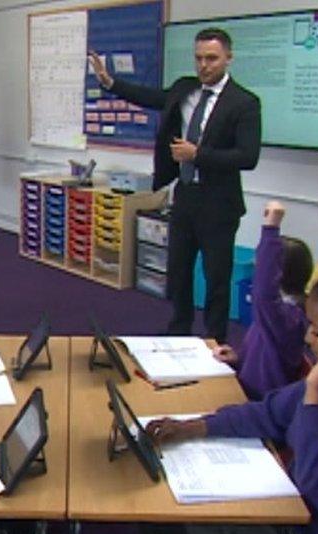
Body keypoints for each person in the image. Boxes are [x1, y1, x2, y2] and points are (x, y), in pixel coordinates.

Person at [144, 268, 318, 534]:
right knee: (166, 503)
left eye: (317, 331)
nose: (308, 338)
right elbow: (268, 413)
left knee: (173, 523)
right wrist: (192, 426)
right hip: (290, 507)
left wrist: (314, 395)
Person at [89, 27, 262, 342]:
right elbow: (152, 97)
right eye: (199, 58)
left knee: (216, 277)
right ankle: (179, 333)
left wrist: (199, 154)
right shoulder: (185, 89)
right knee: (179, 272)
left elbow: (248, 156)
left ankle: (215, 340)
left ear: (228, 58)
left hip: (220, 204)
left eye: (212, 58)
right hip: (185, 197)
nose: (204, 65)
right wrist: (110, 82)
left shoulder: (245, 102)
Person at [213, 201, 314, 400]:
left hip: (260, 401)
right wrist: (239, 359)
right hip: (248, 386)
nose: (256, 267)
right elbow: (265, 352)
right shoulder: (281, 314)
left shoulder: (288, 318)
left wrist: (271, 226)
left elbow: (264, 292)